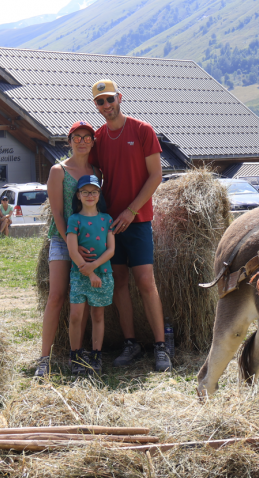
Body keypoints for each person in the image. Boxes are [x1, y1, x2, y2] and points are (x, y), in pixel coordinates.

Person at [88, 78, 171, 372]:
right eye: (100, 102)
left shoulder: (142, 130)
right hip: (110, 224)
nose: (106, 105)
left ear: (119, 98)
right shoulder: (97, 139)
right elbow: (94, 179)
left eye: (109, 99)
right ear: (95, 105)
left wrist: (131, 211)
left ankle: (161, 347)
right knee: (119, 284)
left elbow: (155, 177)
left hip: (137, 221)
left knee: (146, 282)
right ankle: (130, 343)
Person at [35, 121, 101, 378]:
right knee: (56, 296)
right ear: (69, 140)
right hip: (62, 241)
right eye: (77, 137)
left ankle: (80, 353)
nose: (82, 141)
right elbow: (58, 213)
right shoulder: (58, 170)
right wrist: (73, 245)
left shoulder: (97, 171)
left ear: (93, 142)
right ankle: (44, 358)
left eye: (87, 137)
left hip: (90, 243)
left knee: (82, 297)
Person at [65, 175, 115, 375]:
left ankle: (96, 355)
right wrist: (87, 270)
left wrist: (93, 268)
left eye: (93, 191)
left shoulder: (107, 219)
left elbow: (111, 250)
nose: (89, 195)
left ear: (99, 194)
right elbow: (72, 250)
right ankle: (75, 356)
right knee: (76, 316)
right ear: (78, 195)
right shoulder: (74, 219)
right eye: (85, 192)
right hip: (79, 275)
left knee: (97, 315)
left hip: (102, 274)